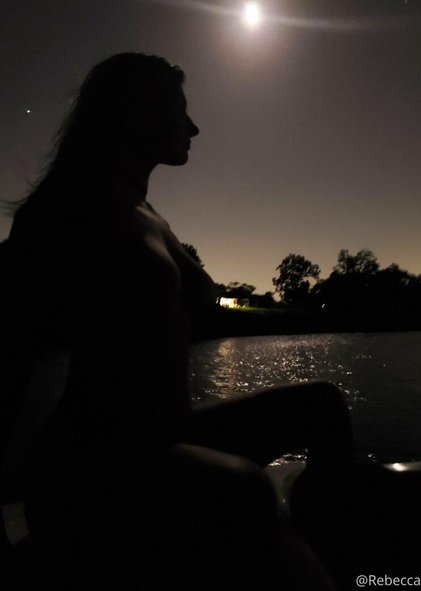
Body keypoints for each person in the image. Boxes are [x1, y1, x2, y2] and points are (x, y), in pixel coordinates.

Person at [0, 53, 353, 589]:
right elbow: (9, 360)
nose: (192, 127)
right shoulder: (64, 209)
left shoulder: (148, 214)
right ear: (136, 110)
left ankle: (335, 555)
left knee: (323, 405)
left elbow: (197, 303)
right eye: (178, 108)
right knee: (247, 490)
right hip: (93, 463)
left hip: (166, 433)